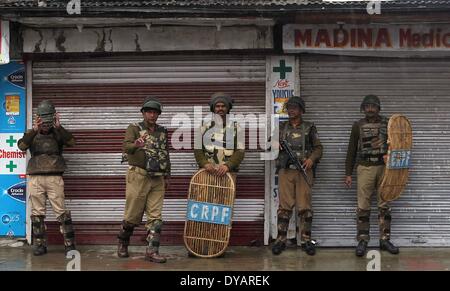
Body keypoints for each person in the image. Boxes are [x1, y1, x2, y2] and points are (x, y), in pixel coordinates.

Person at [18, 100, 76, 256]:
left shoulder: (58, 133)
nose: (46, 123)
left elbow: (71, 142)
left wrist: (59, 127)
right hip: (36, 178)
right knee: (37, 213)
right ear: (38, 118)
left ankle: (69, 245)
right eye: (43, 118)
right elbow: (22, 146)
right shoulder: (31, 133)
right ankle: (39, 245)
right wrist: (33, 130)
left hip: (54, 177)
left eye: (49, 118)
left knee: (61, 212)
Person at [117, 96, 170, 263]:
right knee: (132, 214)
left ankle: (152, 251)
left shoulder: (162, 131)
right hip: (138, 175)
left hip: (158, 178)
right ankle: (123, 243)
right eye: (149, 112)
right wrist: (136, 145)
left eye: (155, 112)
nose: (152, 115)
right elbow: (126, 146)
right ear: (143, 113)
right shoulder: (134, 128)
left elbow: (165, 153)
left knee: (156, 216)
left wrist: (167, 174)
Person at [344, 94, 399, 257]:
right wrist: (348, 173)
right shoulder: (357, 125)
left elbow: (398, 143)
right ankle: (362, 240)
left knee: (384, 205)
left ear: (378, 108)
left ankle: (385, 239)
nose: (370, 109)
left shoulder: (388, 124)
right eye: (367, 106)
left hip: (384, 168)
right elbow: (351, 150)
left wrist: (391, 155)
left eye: (373, 106)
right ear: (363, 108)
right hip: (365, 167)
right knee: (363, 206)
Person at [272, 96, 323, 256]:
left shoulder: (309, 127)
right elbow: (270, 143)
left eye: (295, 107)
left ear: (301, 110)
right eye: (289, 107)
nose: (291, 110)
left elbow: (319, 148)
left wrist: (311, 159)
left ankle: (306, 241)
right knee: (284, 208)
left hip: (303, 170)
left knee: (305, 208)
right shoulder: (281, 127)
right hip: (286, 171)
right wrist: (275, 143)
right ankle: (281, 240)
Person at [194, 92, 245, 179]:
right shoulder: (204, 127)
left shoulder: (236, 127)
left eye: (223, 106)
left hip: (227, 174)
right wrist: (205, 163)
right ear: (213, 109)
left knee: (226, 193)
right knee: (205, 193)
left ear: (228, 108)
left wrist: (228, 166)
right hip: (207, 173)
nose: (220, 108)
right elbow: (197, 149)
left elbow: (240, 151)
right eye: (217, 106)